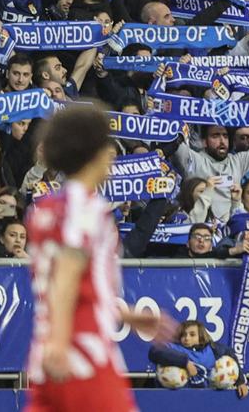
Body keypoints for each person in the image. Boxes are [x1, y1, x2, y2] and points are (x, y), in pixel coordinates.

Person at [24, 102, 177, 412]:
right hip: (82, 352)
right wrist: (61, 339)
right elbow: (67, 272)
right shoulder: (85, 207)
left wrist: (127, 315)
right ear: (94, 150)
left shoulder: (46, 209)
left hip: (47, 353)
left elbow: (74, 283)